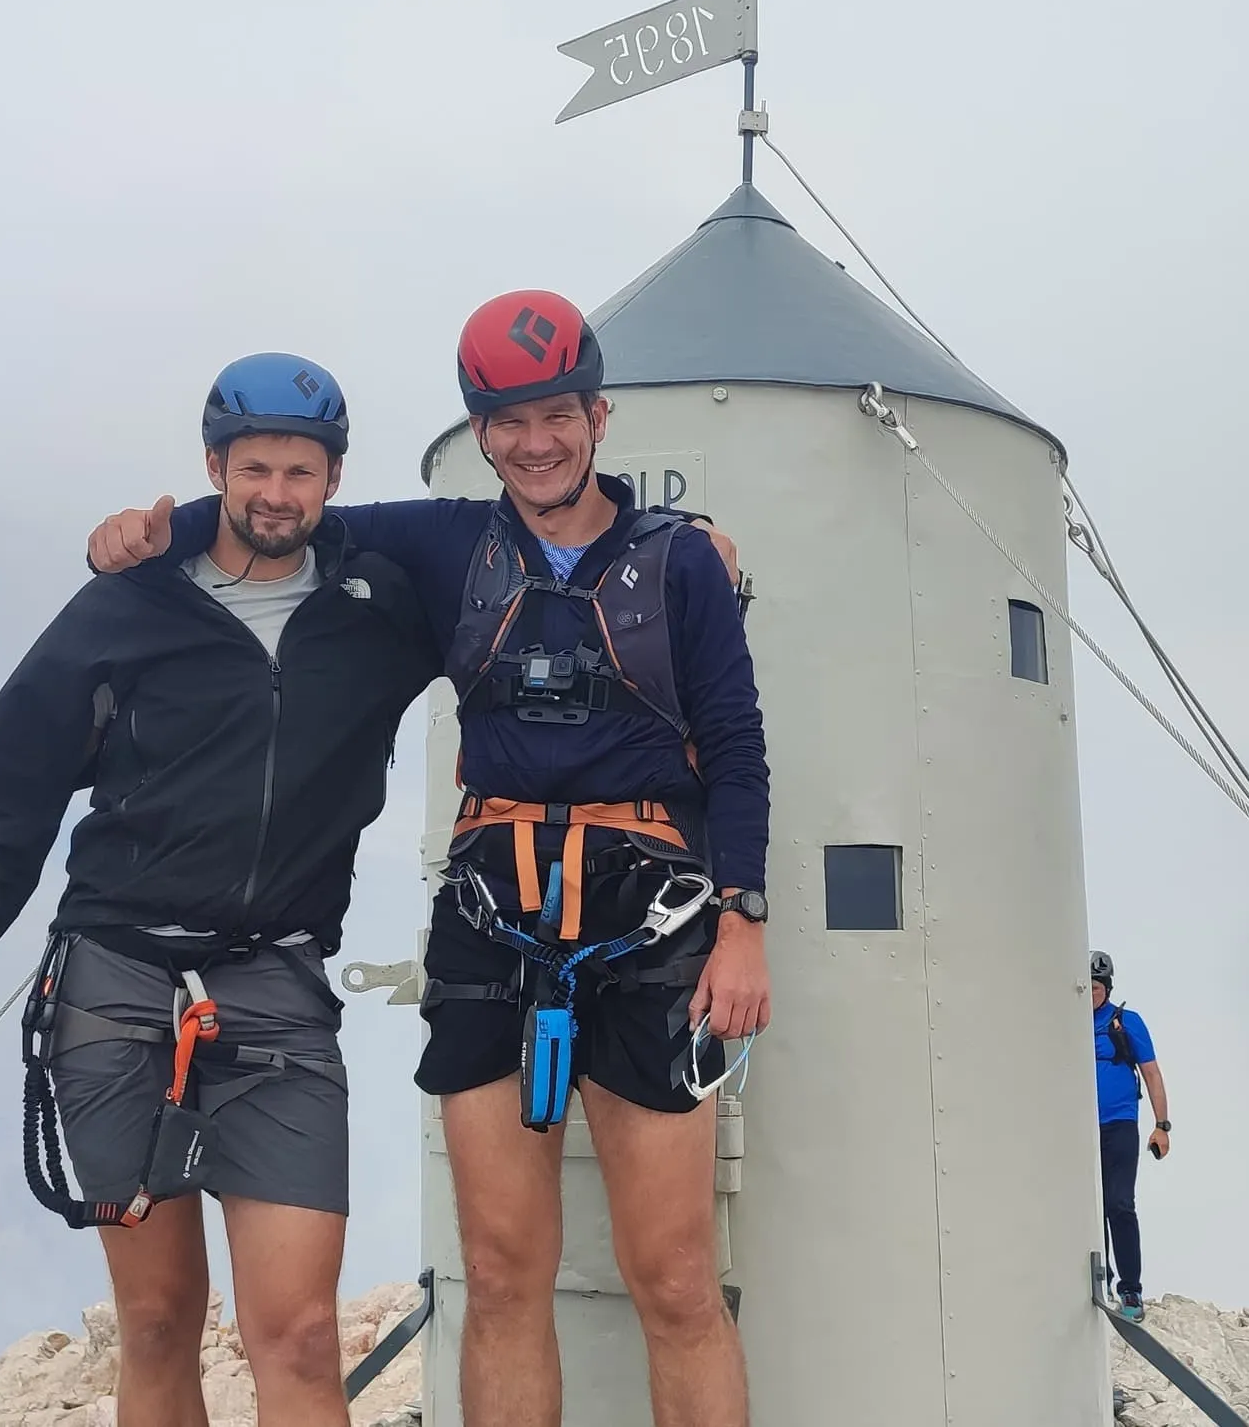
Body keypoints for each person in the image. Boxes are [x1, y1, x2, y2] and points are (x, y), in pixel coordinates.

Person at [88, 289, 770, 1427]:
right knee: (500, 1276)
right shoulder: (446, 541)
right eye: (505, 420)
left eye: (555, 414)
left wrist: (742, 922)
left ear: (598, 415)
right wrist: (136, 539)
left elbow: (738, 744)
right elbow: (278, 524)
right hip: (491, 916)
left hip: (653, 919)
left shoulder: (679, 562)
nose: (534, 441)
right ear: (479, 429)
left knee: (676, 1281)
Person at [0, 355, 440, 1427]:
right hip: (113, 988)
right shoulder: (125, 605)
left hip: (277, 984)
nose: (277, 494)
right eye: (254, 468)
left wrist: (674, 545)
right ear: (214, 467)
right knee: (157, 1322)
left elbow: (531, 556)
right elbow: (3, 803)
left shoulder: (381, 606)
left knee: (296, 1332)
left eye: (301, 471)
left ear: (333, 480)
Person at [1091, 950, 1171, 1322]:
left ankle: (1131, 1290)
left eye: (1097, 987)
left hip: (1119, 1123)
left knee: (1119, 1204)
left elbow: (1151, 1073)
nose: (1092, 994)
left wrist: (1162, 1125)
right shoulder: (1066, 1021)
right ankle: (1098, 1280)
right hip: (1079, 1126)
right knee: (1087, 1208)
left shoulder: (1126, 1022)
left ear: (1107, 988)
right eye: (1087, 987)